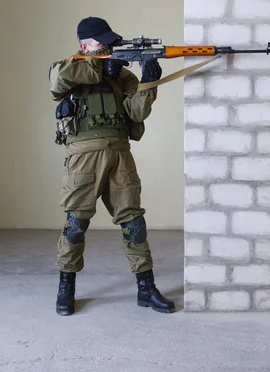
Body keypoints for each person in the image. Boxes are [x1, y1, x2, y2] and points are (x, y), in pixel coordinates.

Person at [47, 16, 175, 316]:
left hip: (119, 154)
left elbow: (136, 111)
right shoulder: (68, 68)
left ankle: (146, 288)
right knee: (76, 224)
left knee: (133, 222)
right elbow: (56, 81)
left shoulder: (122, 76)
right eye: (99, 42)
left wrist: (149, 80)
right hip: (83, 157)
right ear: (84, 45)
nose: (106, 46)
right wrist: (100, 66)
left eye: (109, 42)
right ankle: (66, 287)